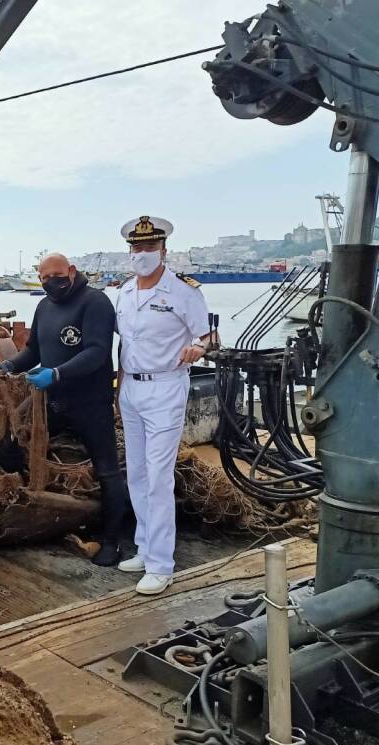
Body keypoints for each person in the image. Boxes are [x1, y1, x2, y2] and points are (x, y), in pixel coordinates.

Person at [0, 252, 128, 567]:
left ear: (71, 271)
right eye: (43, 278)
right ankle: (26, 513)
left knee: (107, 470)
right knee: (11, 444)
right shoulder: (44, 306)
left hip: (90, 403)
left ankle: (113, 541)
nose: (50, 283)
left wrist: (57, 373)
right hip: (51, 402)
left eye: (56, 275)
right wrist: (10, 364)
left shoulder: (95, 302)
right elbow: (34, 350)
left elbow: (96, 351)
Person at [115, 216, 212, 595]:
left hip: (166, 389)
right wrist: (118, 388)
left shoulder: (184, 293)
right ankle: (145, 546)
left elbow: (207, 335)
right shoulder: (123, 292)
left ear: (163, 251)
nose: (141, 255)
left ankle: (161, 564)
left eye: (149, 248)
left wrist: (199, 348)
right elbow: (124, 345)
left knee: (158, 477)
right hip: (131, 390)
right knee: (137, 473)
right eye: (136, 249)